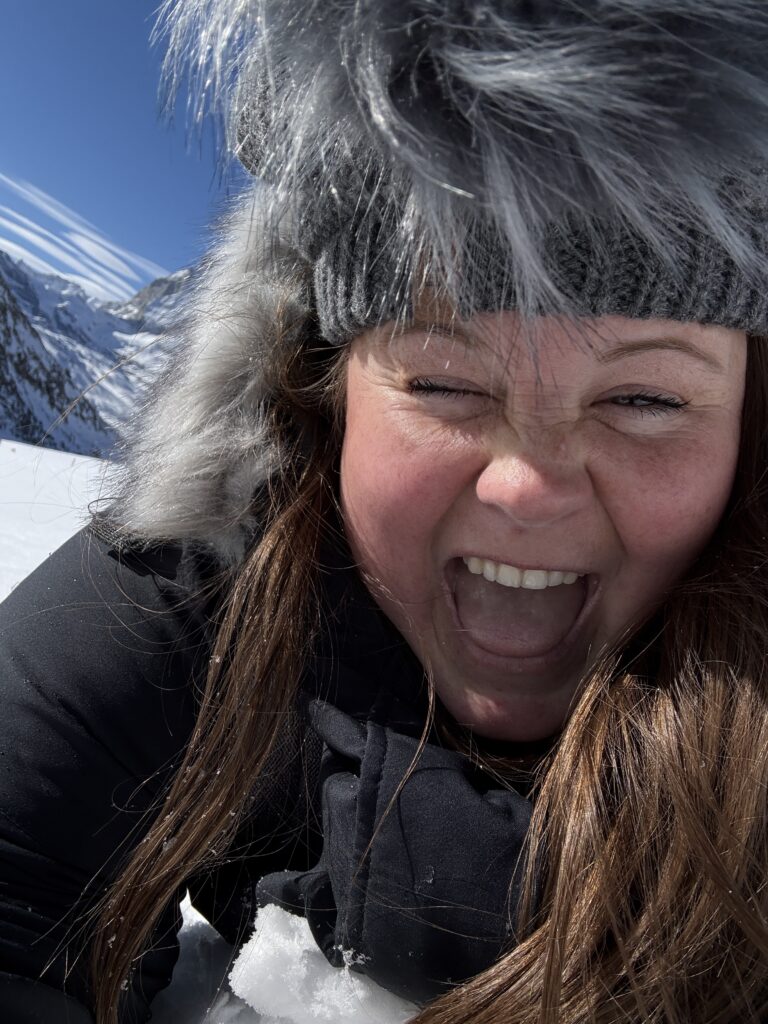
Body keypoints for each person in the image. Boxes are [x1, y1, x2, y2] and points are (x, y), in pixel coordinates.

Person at [3, 1, 768, 1021]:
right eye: (447, 382)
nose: (526, 486)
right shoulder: (219, 580)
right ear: (328, 393)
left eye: (645, 399)